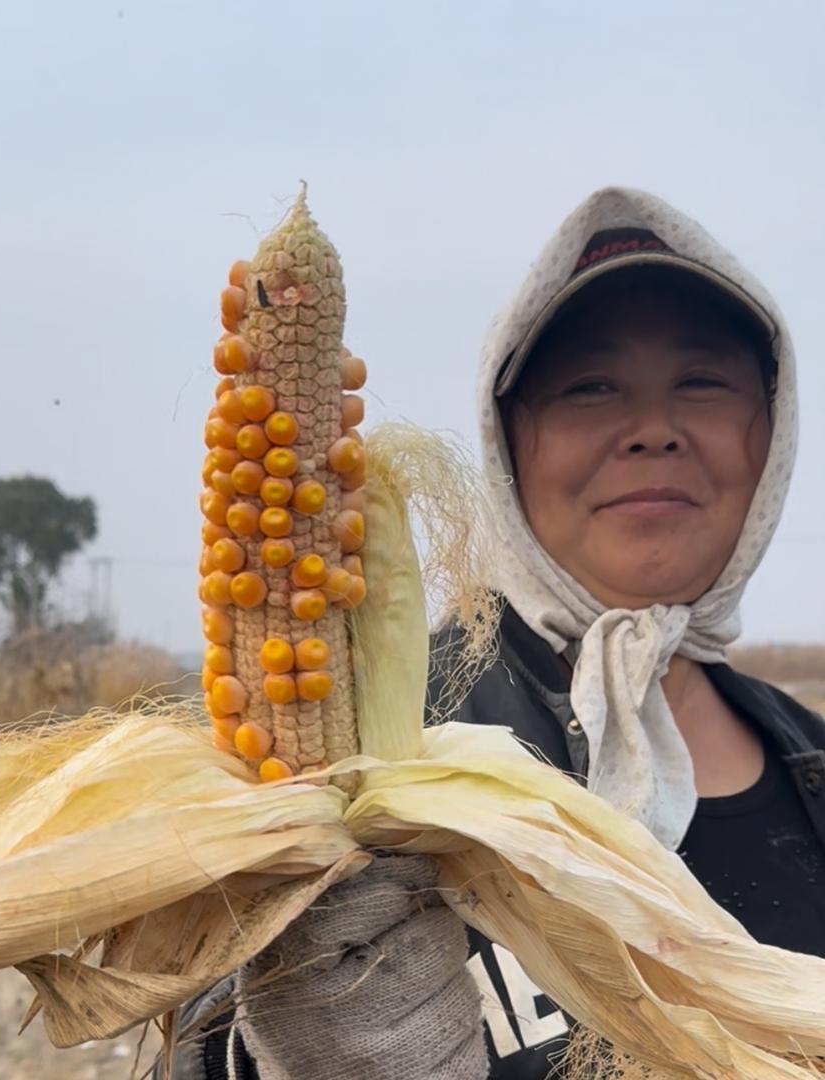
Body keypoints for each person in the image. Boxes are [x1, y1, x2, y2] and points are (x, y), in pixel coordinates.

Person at [166, 186, 825, 1080]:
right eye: (591, 387)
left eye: (703, 381)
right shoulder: (358, 751)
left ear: (771, 432)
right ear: (508, 439)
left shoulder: (812, 760)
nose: (652, 432)